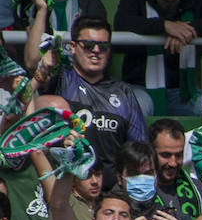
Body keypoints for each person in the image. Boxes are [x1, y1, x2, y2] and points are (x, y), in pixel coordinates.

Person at [34, 16, 147, 177]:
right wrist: (44, 68)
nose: (95, 50)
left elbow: (140, 150)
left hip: (111, 194)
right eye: (88, 45)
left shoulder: (123, 92)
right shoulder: (59, 79)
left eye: (103, 46)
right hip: (66, 189)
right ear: (72, 47)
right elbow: (33, 70)